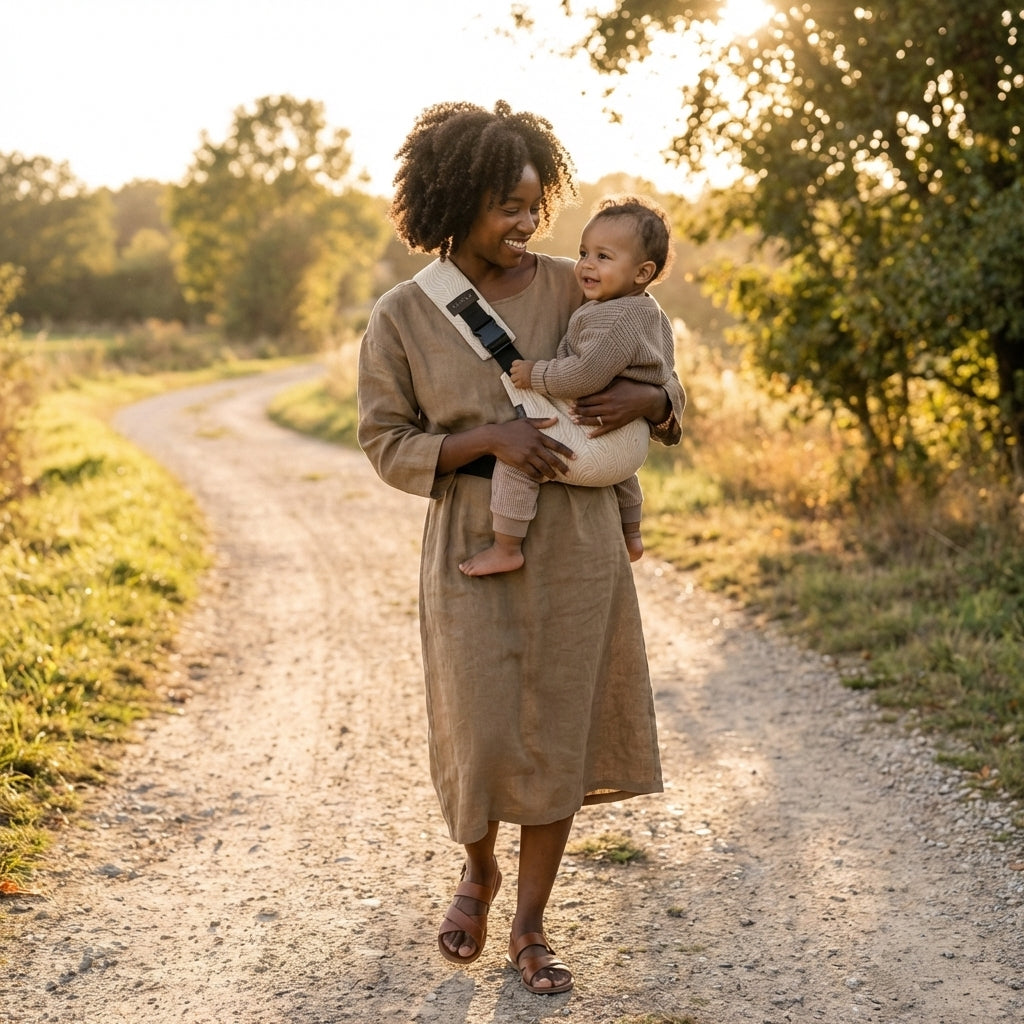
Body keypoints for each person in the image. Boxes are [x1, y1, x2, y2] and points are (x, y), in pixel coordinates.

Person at [357, 100, 684, 996]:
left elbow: (659, 369)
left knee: (560, 727)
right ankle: (478, 870)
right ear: (454, 200)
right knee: (481, 724)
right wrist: (488, 441)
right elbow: (386, 443)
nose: (528, 224)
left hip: (576, 538)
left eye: (535, 204)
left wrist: (653, 405)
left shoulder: (579, 283)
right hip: (473, 531)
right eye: (507, 205)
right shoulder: (402, 315)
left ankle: (531, 927)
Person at [458, 194, 676, 577]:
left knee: (520, 458)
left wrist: (535, 374)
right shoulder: (649, 310)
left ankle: (507, 545)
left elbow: (584, 376)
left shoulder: (614, 317)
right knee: (622, 469)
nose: (587, 265)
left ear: (642, 272)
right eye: (584, 253)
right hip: (629, 445)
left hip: (595, 440)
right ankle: (632, 534)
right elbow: (664, 369)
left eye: (603, 257)